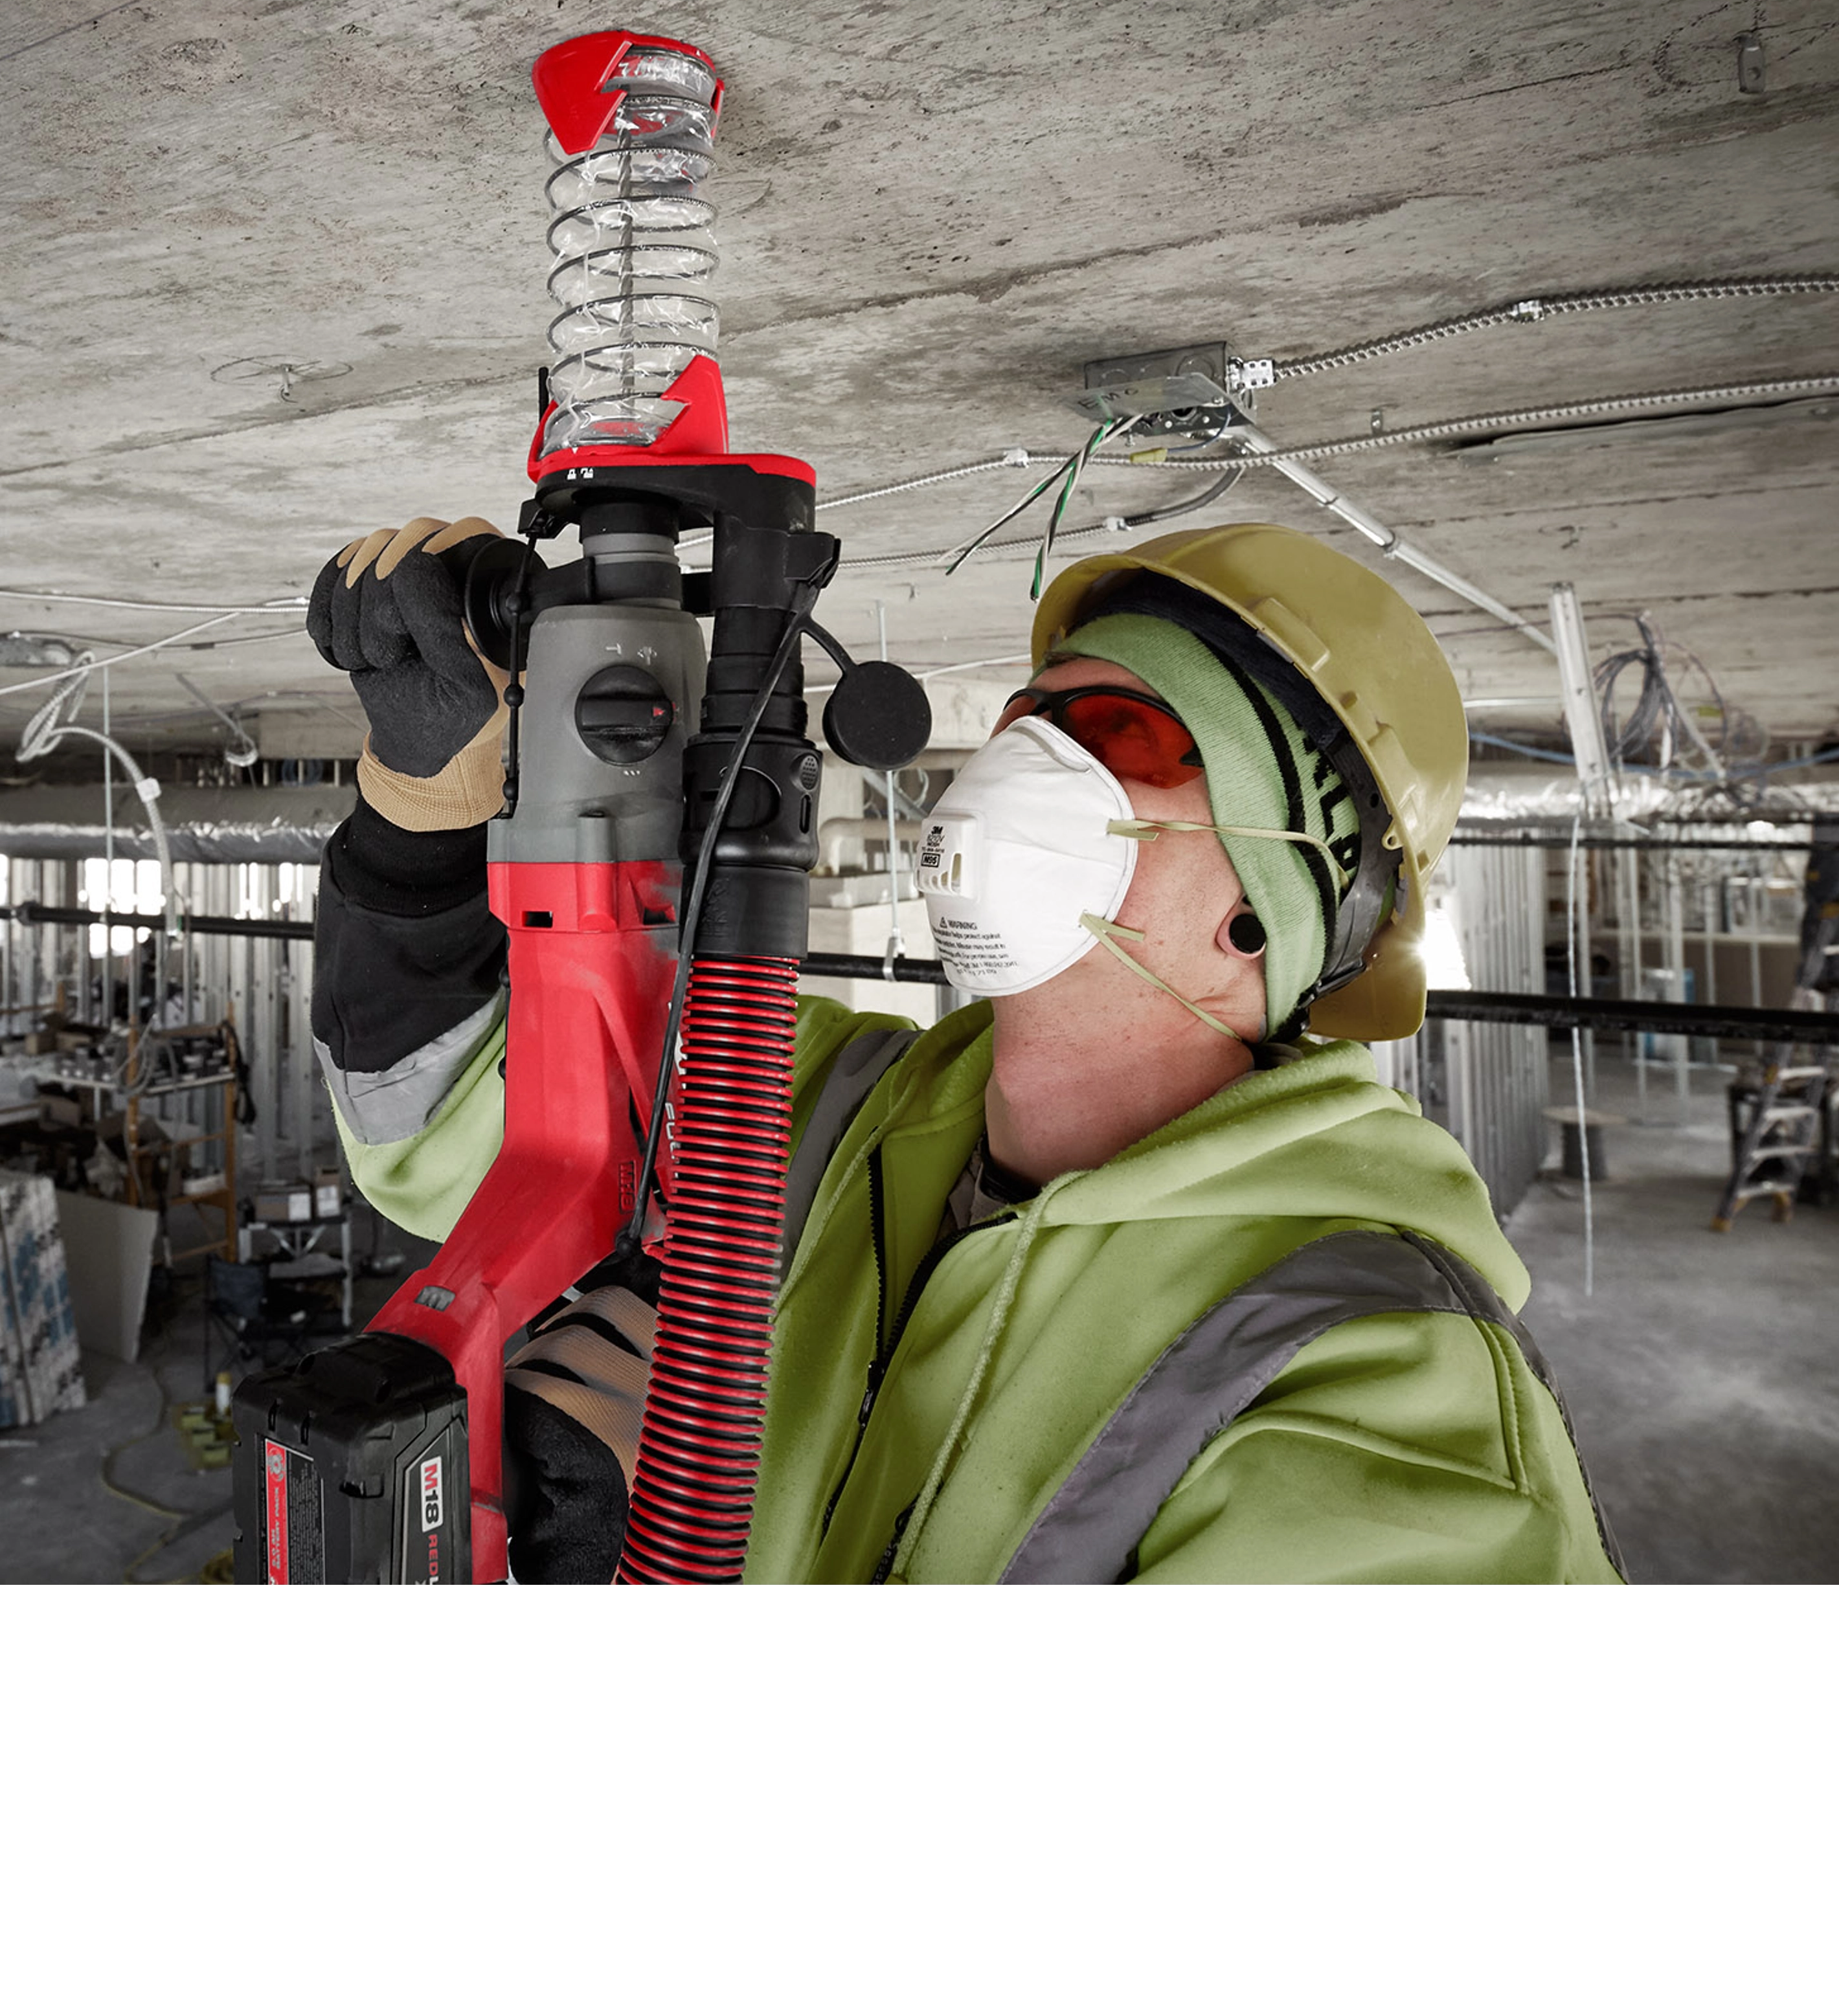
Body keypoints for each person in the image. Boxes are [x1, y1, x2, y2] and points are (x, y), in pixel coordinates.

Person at [306, 516, 1622, 1585]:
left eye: (1115, 735)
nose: (1014, 766)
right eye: (1020, 721)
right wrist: (421, 813)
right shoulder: (805, 1099)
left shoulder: (1383, 1389)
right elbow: (450, 1127)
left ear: (1267, 909)